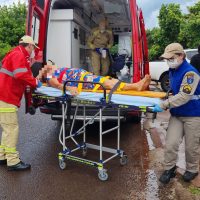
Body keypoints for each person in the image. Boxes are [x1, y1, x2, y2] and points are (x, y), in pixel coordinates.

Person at [153, 43, 200, 184]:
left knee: (191, 146)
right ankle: (170, 169)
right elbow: (174, 90)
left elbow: (184, 96)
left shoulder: (191, 73)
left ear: (181, 56)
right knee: (171, 143)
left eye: (171, 58)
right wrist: (165, 96)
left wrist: (164, 104)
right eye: (167, 59)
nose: (168, 61)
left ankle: (192, 169)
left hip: (193, 115)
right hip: (177, 114)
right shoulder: (173, 70)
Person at [0, 35, 41, 171]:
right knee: (12, 129)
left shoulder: (16, 53)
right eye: (33, 48)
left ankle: (2, 156)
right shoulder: (18, 55)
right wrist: (35, 82)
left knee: (7, 129)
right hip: (7, 97)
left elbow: (21, 74)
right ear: (29, 46)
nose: (33, 51)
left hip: (4, 96)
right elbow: (20, 75)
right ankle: (13, 161)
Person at [37, 65, 151, 95]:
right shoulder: (49, 77)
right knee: (106, 83)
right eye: (42, 69)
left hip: (84, 77)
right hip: (82, 82)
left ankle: (136, 85)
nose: (45, 67)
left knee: (107, 79)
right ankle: (136, 86)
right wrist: (69, 88)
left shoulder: (53, 71)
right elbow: (57, 85)